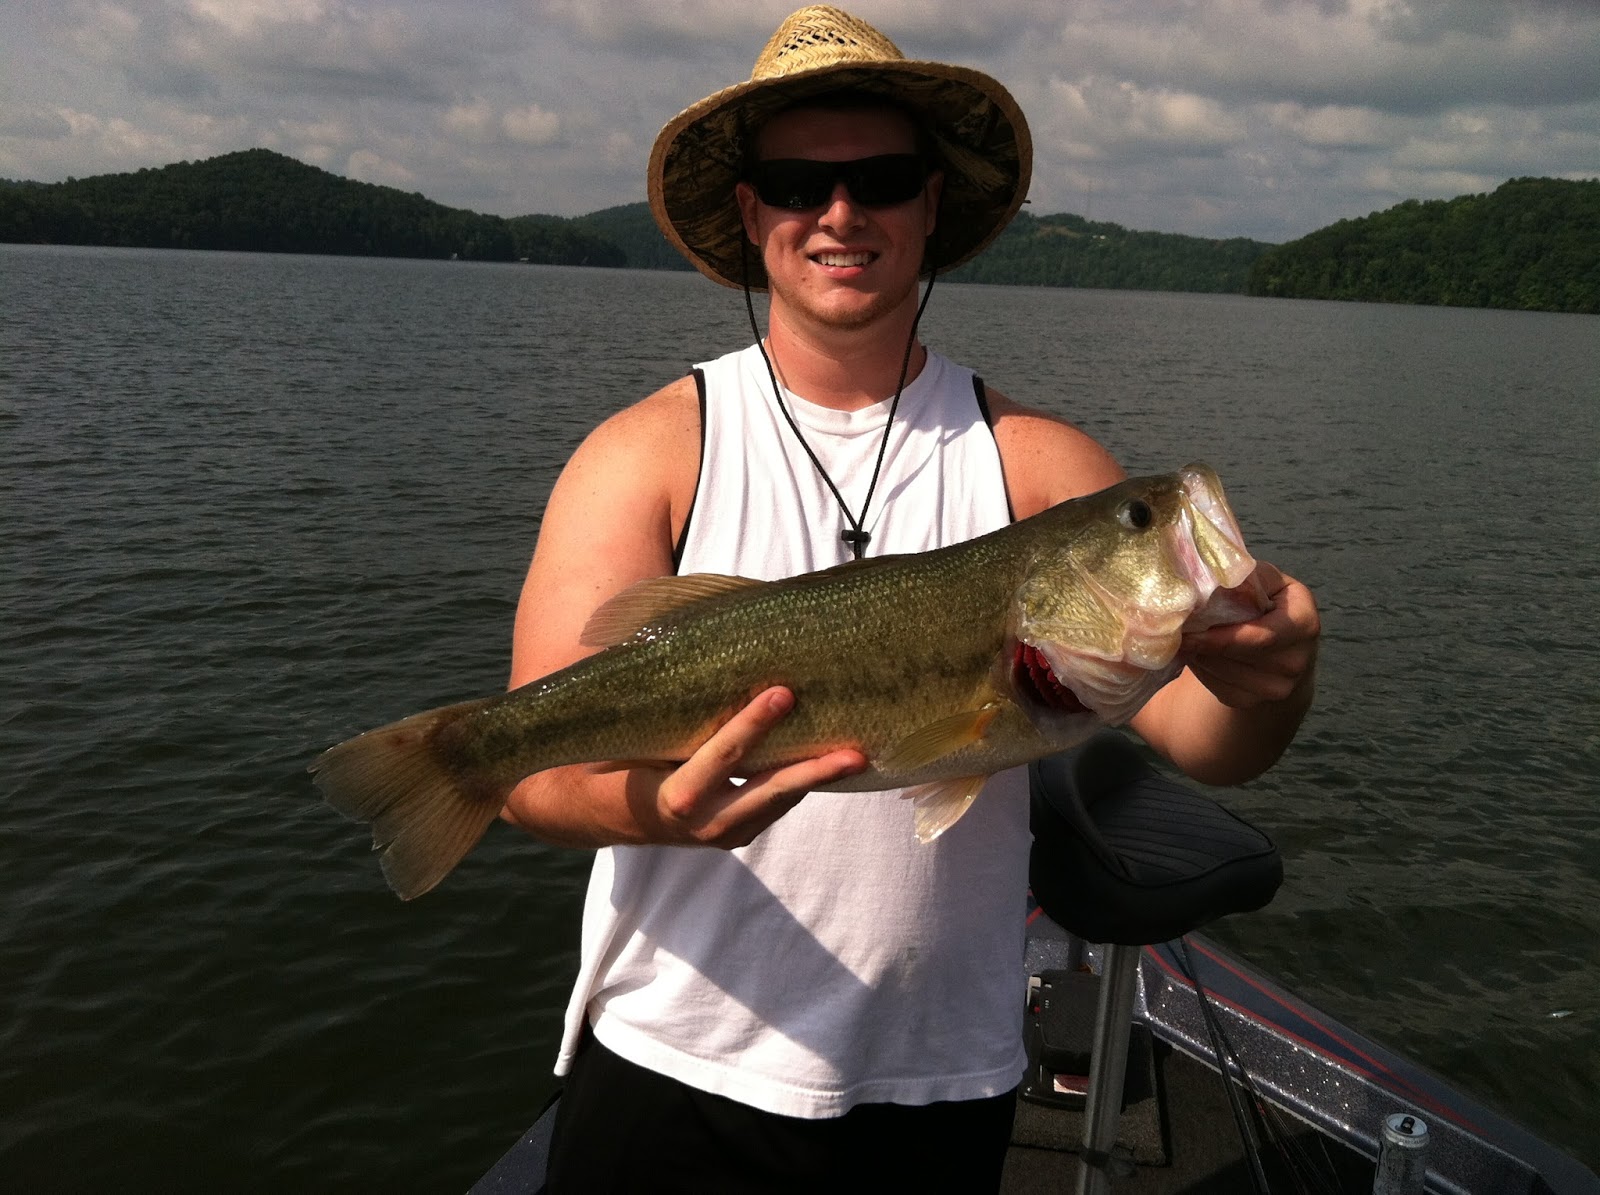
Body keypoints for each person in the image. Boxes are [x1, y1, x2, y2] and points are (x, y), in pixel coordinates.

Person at [499, 6, 1320, 1189]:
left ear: (930, 206)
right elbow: (528, 770)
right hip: (674, 1063)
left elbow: (1215, 742)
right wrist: (653, 812)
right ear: (750, 214)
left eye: (880, 179)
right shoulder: (642, 455)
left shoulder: (1041, 467)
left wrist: (1274, 679)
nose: (840, 214)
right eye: (796, 182)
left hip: (940, 1076)